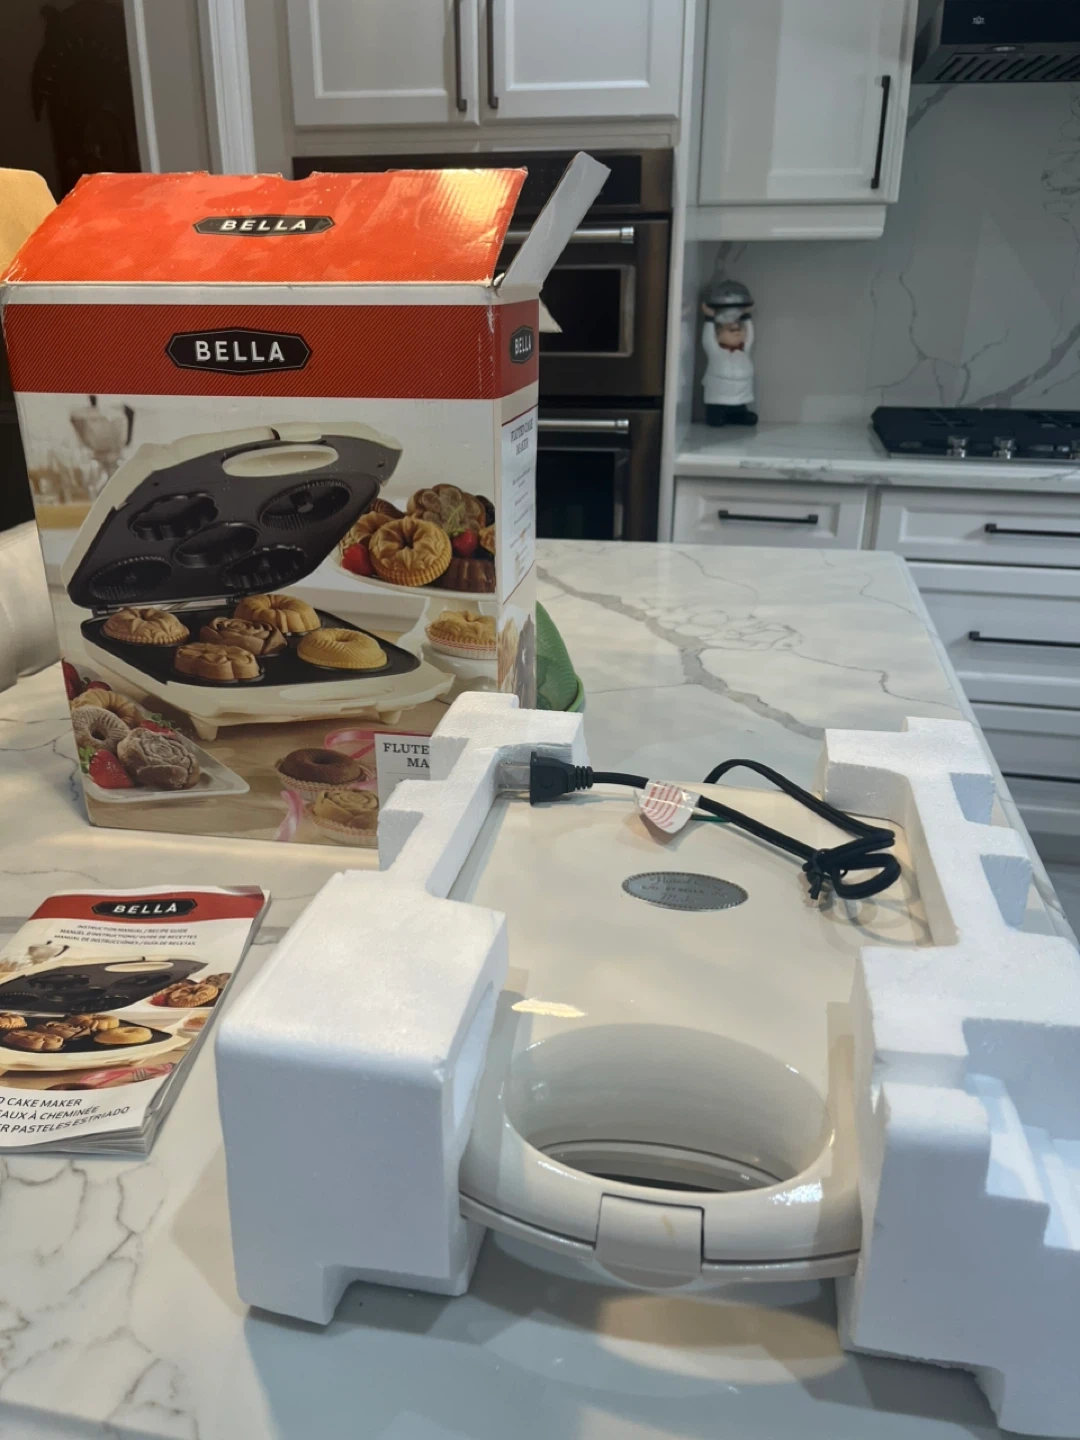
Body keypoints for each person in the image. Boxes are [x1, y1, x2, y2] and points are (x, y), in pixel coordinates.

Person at [701, 278, 758, 427]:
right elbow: (707, 338)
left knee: (743, 413)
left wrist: (746, 316)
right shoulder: (715, 351)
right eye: (732, 331)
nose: (737, 332)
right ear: (718, 335)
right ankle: (716, 416)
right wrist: (709, 318)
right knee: (716, 418)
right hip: (717, 398)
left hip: (741, 397)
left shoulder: (744, 350)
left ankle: (738, 415)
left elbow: (750, 336)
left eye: (739, 329)